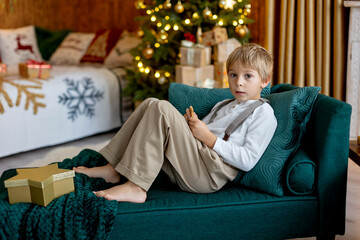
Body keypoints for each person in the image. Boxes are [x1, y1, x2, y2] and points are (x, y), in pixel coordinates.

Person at [73, 43, 277, 203]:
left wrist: (210, 138)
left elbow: (248, 160)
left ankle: (137, 187)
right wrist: (192, 125)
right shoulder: (224, 104)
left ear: (264, 81)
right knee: (151, 103)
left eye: (247, 76)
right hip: (195, 158)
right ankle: (113, 168)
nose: (238, 82)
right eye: (233, 75)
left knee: (162, 108)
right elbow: (195, 137)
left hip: (210, 174)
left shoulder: (263, 113)